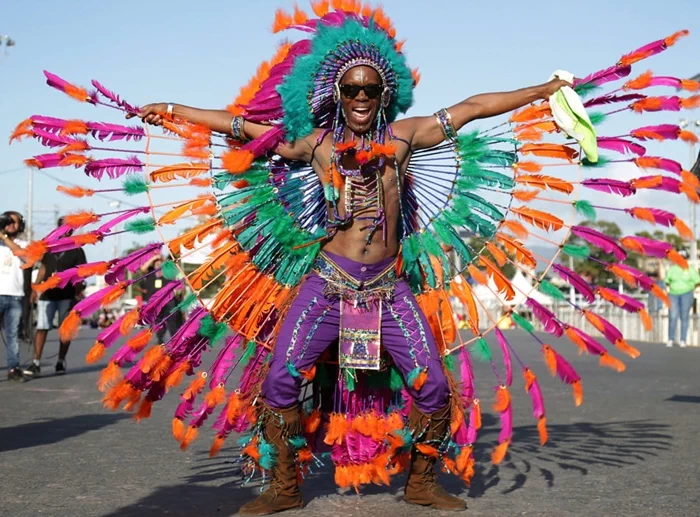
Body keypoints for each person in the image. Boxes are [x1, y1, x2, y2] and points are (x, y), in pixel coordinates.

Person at [129, 19, 567, 517]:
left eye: (371, 88)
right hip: (327, 285)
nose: (361, 96)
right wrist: (172, 111)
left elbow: (473, 107)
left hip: (388, 288)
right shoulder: (316, 146)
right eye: (352, 88)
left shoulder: (404, 138)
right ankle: (284, 487)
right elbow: (237, 126)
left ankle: (422, 484)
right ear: (339, 92)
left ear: (383, 94)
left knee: (435, 387)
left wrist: (545, 90)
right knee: (280, 382)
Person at [23, 217, 87, 377]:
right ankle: (36, 363)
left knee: (65, 330)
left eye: (70, 228)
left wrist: (77, 294)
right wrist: (35, 288)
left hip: (67, 295)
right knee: (42, 328)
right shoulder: (49, 247)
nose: (67, 231)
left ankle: (60, 361)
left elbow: (81, 273)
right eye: (64, 228)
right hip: (47, 294)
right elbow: (44, 268)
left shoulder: (77, 249)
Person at [0, 211, 28, 382]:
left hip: (15, 295)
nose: (11, 224)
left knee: (12, 335)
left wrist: (4, 238)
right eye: (7, 221)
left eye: (14, 222)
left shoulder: (24, 243)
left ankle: (13, 368)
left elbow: (25, 256)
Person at [136, 255, 182, 343]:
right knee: (158, 321)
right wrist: (154, 257)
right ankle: (160, 340)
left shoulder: (167, 271)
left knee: (172, 319)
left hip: (169, 299)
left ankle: (175, 340)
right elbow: (142, 268)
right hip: (155, 301)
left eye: (160, 262)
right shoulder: (150, 271)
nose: (158, 263)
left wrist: (163, 259)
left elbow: (176, 270)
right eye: (156, 262)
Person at [664, 249, 700, 348]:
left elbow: (697, 281)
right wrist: (668, 291)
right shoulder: (672, 269)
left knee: (684, 317)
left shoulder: (691, 269)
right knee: (673, 316)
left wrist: (692, 290)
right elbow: (667, 281)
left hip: (687, 294)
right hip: (673, 294)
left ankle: (683, 340)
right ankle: (671, 339)